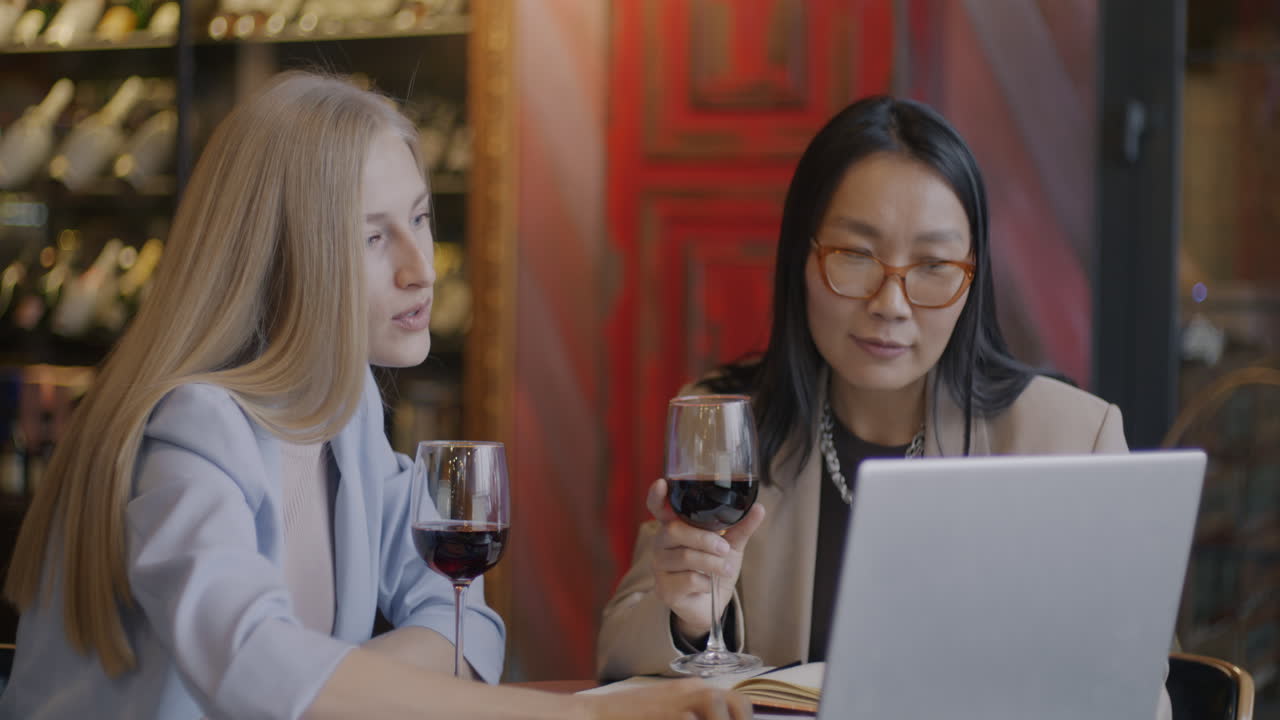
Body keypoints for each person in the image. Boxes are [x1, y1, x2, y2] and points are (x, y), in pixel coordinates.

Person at [0, 71, 749, 720]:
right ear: (282, 257)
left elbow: (469, 625)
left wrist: (327, 685)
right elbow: (251, 664)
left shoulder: (344, 408)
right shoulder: (193, 429)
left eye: (419, 218)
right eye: (372, 238)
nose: (422, 269)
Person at [596, 95, 1172, 719]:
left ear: (972, 278)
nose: (890, 303)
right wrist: (690, 619)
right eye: (856, 255)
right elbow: (618, 649)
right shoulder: (729, 425)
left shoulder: (1072, 439)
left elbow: (1138, 694)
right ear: (802, 258)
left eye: (932, 265)